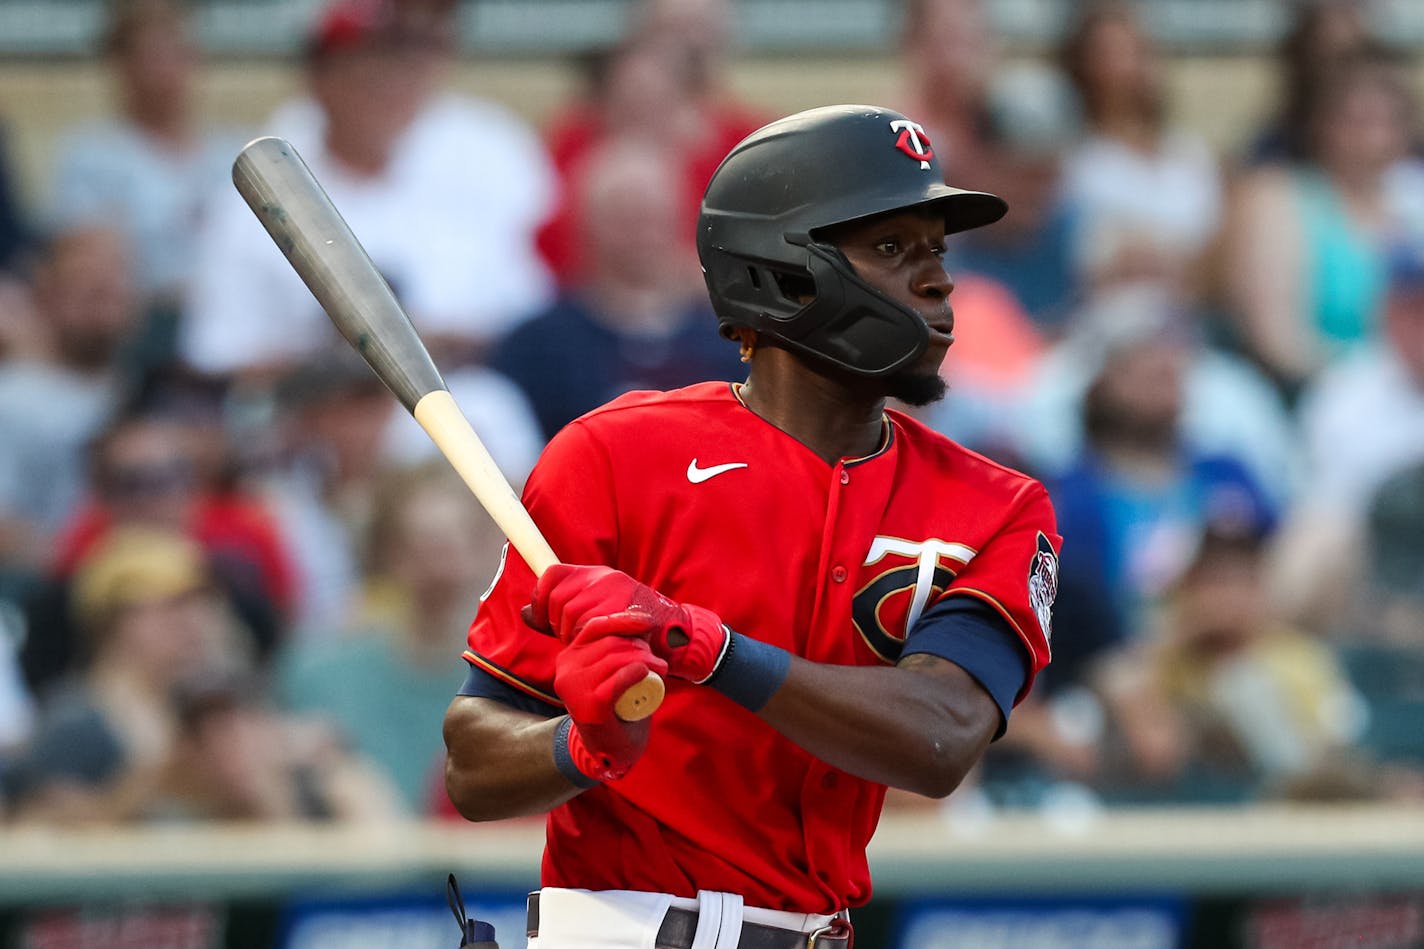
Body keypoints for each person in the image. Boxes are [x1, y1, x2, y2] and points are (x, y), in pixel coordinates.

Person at [442, 105, 1060, 946]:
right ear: (782, 269)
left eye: (936, 250)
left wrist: (713, 650)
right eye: (891, 248)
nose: (937, 280)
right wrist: (580, 746)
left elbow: (940, 739)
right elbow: (474, 765)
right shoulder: (615, 456)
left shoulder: (999, 506)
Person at [182, 0, 555, 377]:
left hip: (466, 391)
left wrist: (438, 342)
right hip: (309, 410)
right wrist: (338, 365)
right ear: (319, 76)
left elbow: (532, 316)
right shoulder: (268, 180)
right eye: (367, 64)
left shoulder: (475, 160)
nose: (390, 85)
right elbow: (218, 356)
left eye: (402, 62)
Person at [493, 139, 744, 441]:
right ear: (585, 225)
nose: (642, 232)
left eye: (652, 214)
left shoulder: (734, 342)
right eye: (623, 216)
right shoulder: (536, 348)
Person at [48, 0, 247, 316]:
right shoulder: (91, 156)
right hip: (139, 327)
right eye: (150, 57)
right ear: (120, 65)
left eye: (176, 54)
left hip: (234, 318)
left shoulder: (235, 153)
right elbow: (86, 270)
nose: (164, 71)